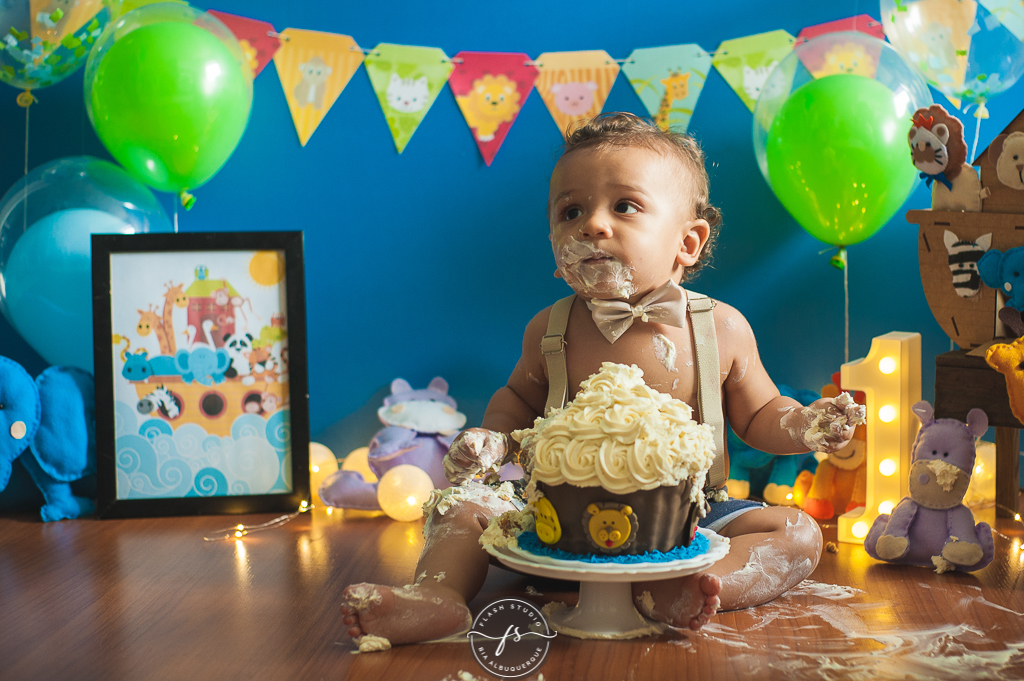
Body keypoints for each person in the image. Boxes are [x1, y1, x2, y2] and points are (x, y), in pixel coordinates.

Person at [340, 112, 862, 646]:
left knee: (796, 533)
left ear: (688, 242)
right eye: (571, 211)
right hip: (556, 525)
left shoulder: (720, 328)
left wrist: (803, 424)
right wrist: (492, 440)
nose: (591, 224)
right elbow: (518, 399)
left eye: (625, 206)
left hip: (690, 519)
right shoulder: (551, 329)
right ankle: (439, 596)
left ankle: (695, 587)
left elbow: (758, 413)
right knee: (462, 505)